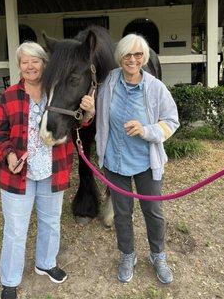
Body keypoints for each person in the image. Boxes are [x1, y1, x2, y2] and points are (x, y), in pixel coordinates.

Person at [0, 41, 95, 299]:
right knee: (15, 229)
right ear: (19, 66)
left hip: (52, 170)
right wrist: (8, 155)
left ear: (44, 64)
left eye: (35, 60)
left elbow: (76, 125)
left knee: (50, 222)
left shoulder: (55, 93)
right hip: (18, 174)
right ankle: (10, 281)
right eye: (24, 62)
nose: (29, 66)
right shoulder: (10, 96)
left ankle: (45, 263)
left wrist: (89, 114)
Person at [95, 34, 179, 284]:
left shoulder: (155, 88)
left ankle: (158, 255)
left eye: (138, 55)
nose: (132, 60)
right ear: (120, 57)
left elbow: (172, 122)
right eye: (127, 55)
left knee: (153, 211)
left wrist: (146, 130)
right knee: (122, 213)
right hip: (115, 161)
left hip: (146, 161)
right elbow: (98, 114)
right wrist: (89, 109)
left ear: (144, 58)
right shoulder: (108, 82)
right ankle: (127, 254)